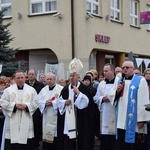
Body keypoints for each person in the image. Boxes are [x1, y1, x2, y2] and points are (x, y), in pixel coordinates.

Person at [108, 60, 150, 150]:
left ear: (133, 69)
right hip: (121, 120)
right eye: (123, 68)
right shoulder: (119, 80)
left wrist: (142, 119)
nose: (125, 69)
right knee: (122, 144)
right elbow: (111, 95)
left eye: (127, 67)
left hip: (134, 121)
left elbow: (144, 99)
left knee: (134, 146)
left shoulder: (140, 80)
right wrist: (117, 91)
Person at [57, 58, 95, 150]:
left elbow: (86, 103)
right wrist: (65, 102)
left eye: (74, 76)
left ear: (78, 77)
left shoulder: (84, 89)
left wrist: (78, 93)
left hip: (81, 121)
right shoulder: (65, 89)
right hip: (68, 121)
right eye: (70, 76)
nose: (71, 78)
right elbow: (59, 102)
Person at [0, 70, 39, 150]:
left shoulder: (31, 90)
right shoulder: (8, 90)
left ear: (25, 79)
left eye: (22, 77)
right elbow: (2, 102)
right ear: (14, 79)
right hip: (12, 121)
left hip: (26, 120)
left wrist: (26, 106)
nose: (20, 79)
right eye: (18, 78)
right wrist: (14, 106)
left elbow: (36, 103)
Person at [93, 63, 119, 150]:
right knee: (105, 141)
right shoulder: (101, 84)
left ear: (112, 71)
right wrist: (102, 99)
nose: (104, 73)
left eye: (106, 71)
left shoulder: (118, 82)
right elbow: (96, 98)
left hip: (115, 113)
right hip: (104, 114)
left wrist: (111, 98)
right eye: (103, 71)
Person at [38, 72, 63, 150]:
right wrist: (45, 103)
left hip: (57, 116)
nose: (49, 81)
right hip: (46, 116)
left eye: (50, 79)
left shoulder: (61, 89)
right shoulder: (43, 90)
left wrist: (53, 103)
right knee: (47, 140)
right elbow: (38, 101)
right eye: (47, 79)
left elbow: (62, 101)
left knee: (56, 137)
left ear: (54, 79)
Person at [26, 69, 44, 150]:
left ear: (35, 75)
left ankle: (36, 146)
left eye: (32, 74)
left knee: (36, 130)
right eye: (29, 74)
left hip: (37, 112)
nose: (31, 75)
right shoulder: (25, 85)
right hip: (26, 111)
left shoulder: (40, 85)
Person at [144, 68, 150, 150]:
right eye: (146, 73)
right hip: (144, 113)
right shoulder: (142, 84)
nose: (148, 75)